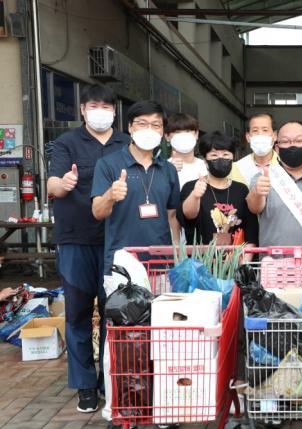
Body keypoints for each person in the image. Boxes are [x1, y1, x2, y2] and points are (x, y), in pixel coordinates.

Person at [91, 101, 180, 429]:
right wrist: (110, 196)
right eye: (142, 123)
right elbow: (97, 212)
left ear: (163, 131)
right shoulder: (109, 165)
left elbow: (172, 217)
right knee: (120, 341)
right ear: (129, 127)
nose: (149, 130)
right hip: (122, 266)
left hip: (161, 265)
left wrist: (176, 260)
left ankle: (164, 408)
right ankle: (119, 411)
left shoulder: (167, 169)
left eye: (156, 124)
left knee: (164, 337)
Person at [47, 84, 128, 414]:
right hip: (76, 240)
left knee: (116, 313)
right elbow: (52, 183)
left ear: (114, 111)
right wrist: (63, 184)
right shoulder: (67, 143)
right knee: (78, 314)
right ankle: (84, 385)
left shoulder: (126, 143)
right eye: (94, 106)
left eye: (106, 106)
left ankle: (108, 379)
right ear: (82, 110)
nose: (100, 112)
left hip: (116, 243)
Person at [246, 120, 302, 247]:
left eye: (299, 140)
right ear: (277, 148)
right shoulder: (262, 178)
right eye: (285, 141)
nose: (292, 146)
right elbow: (254, 208)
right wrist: (258, 193)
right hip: (272, 258)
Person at [178, 131, 258, 248]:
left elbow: (251, 231)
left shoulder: (241, 190)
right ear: (205, 160)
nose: (221, 159)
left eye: (226, 155)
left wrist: (244, 259)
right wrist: (195, 195)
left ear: (233, 157)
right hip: (200, 258)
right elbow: (188, 216)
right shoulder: (191, 187)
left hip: (236, 257)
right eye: (214, 155)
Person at [230, 113, 279, 187]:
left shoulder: (285, 166)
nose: (260, 134)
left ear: (274, 136)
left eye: (265, 130)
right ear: (248, 137)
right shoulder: (236, 168)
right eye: (255, 131)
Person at [165, 112, 208, 189]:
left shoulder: (207, 166)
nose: (184, 136)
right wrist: (168, 172)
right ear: (167, 136)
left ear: (196, 134)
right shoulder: (161, 169)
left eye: (188, 131)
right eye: (177, 132)